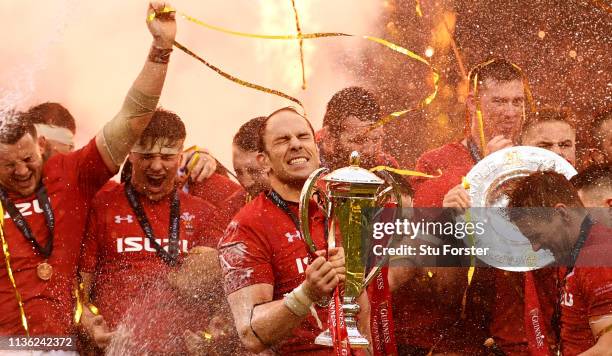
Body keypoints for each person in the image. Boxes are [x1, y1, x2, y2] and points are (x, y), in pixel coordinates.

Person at [0, 1, 176, 341]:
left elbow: (131, 120)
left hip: (65, 344)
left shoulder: (71, 172)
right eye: (8, 167)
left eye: (28, 160)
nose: (23, 172)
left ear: (39, 146)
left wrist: (161, 49)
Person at [78, 110, 228, 354]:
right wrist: (88, 324)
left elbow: (217, 293)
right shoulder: (101, 206)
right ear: (131, 153)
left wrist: (213, 336)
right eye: (147, 156)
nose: (157, 166)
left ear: (181, 155)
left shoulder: (203, 213)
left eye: (167, 156)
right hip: (119, 349)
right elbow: (77, 291)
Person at [218, 107, 352, 354]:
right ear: (264, 160)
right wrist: (306, 293)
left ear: (316, 147)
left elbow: (370, 305)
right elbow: (250, 333)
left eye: (303, 137)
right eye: (282, 140)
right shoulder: (247, 225)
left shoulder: (344, 202)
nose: (295, 145)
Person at [508, 171, 612, 355]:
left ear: (562, 213)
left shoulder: (598, 258)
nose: (535, 247)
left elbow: (609, 349)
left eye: (536, 236)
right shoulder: (577, 253)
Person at [319, 86, 397, 171]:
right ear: (329, 139)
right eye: (358, 140)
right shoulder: (309, 169)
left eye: (376, 139)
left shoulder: (386, 166)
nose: (369, 151)